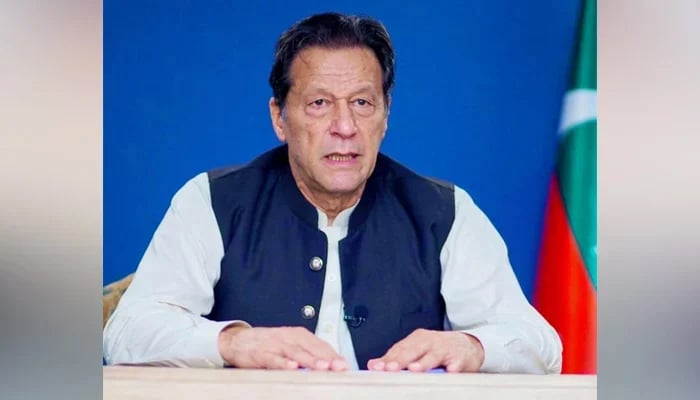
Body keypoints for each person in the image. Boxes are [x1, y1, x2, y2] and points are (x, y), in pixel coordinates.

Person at [103, 12, 562, 374]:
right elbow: (125, 332)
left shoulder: (444, 212)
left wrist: (471, 346)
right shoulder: (212, 201)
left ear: (385, 115)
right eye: (319, 103)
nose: (344, 127)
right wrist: (234, 341)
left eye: (362, 103)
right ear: (280, 118)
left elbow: (542, 346)